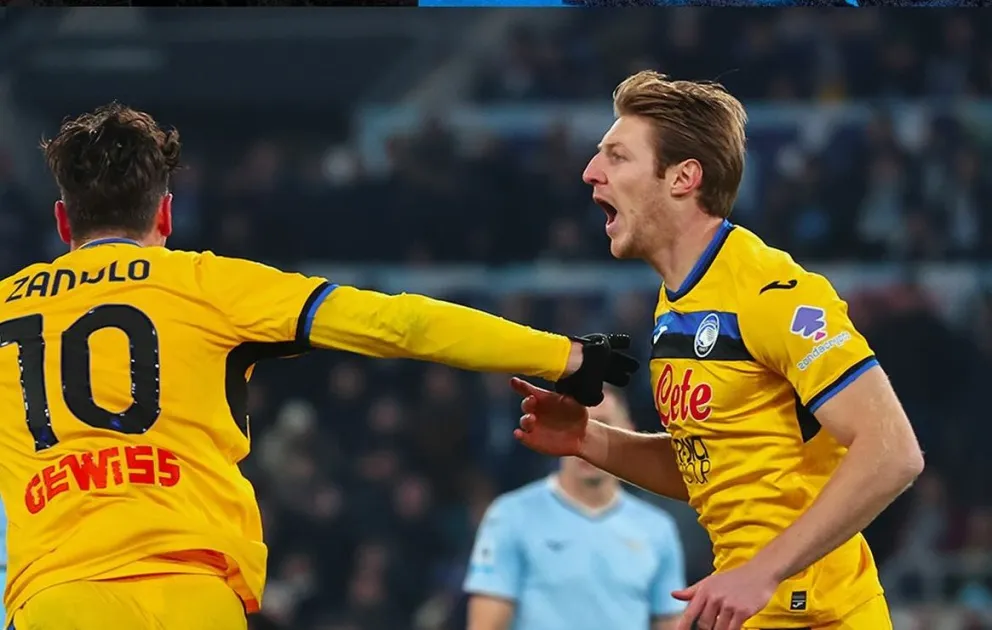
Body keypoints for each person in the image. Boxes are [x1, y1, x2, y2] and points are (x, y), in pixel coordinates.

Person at [0, 103, 638, 630]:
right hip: (192, 595)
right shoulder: (210, 285)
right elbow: (403, 324)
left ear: (62, 222)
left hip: (58, 597)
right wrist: (565, 356)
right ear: (165, 215)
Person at [509, 71, 924, 630]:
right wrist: (590, 440)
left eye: (617, 156)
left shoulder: (771, 292)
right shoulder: (675, 305)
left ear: (683, 177)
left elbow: (894, 450)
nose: (591, 171)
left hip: (817, 616)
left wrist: (764, 572)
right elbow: (712, 465)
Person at [464, 386, 686, 630]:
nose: (587, 441)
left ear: (629, 433)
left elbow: (669, 623)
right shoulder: (510, 516)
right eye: (577, 426)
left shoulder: (658, 529)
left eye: (602, 426)